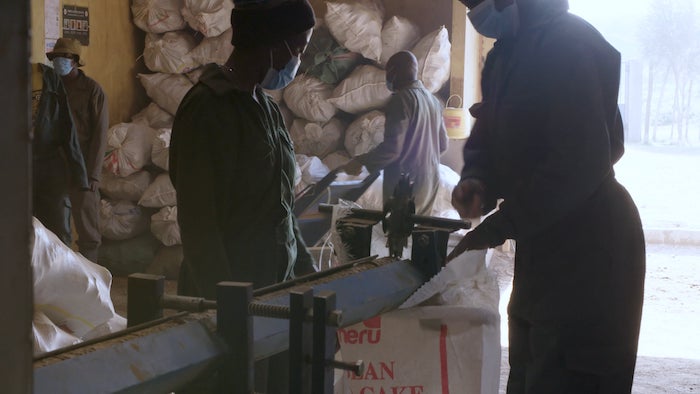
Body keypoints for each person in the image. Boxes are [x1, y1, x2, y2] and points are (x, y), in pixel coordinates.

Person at [449, 0, 646, 393]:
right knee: (530, 369)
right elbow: (488, 136)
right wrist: (477, 180)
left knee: (572, 374)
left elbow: (579, 161)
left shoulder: (570, 46)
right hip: (543, 243)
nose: (474, 10)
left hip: (591, 247)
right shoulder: (505, 54)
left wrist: (502, 225)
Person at [341, 50, 448, 216]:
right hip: (429, 180)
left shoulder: (401, 100)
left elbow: (393, 149)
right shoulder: (433, 101)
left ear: (393, 72)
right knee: (418, 233)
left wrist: (362, 161)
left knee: (398, 235)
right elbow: (442, 145)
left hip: (405, 184)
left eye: (388, 72)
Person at [46, 38, 109, 263]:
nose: (59, 61)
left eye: (65, 57)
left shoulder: (92, 90)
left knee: (88, 230)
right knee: (53, 225)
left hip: (82, 166)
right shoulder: (49, 87)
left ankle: (90, 276)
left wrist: (93, 174)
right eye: (56, 58)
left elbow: (100, 135)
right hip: (55, 165)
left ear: (75, 61)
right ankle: (62, 275)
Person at [32, 62, 89, 245]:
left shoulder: (49, 78)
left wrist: (80, 174)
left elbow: (67, 127)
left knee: (58, 230)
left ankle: (63, 272)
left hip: (50, 167)